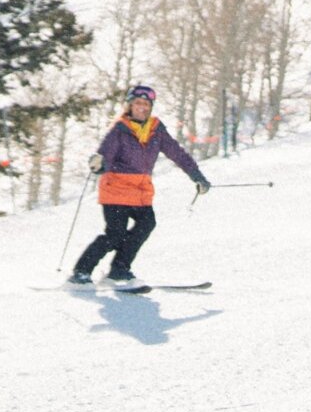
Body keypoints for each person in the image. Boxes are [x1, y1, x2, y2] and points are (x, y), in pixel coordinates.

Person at [71, 84, 209, 291]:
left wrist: (196, 176)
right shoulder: (120, 129)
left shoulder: (156, 129)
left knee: (146, 224)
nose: (142, 107)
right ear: (130, 106)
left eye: (146, 104)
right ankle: (81, 272)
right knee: (115, 234)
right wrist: (99, 164)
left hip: (140, 192)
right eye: (137, 103)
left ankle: (119, 269)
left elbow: (177, 153)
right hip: (116, 190)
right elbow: (105, 155)